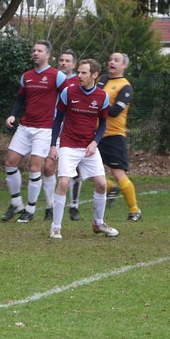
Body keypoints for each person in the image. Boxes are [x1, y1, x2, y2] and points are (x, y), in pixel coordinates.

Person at [47, 58, 117, 240]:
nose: (79, 75)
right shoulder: (68, 92)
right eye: (78, 72)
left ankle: (98, 223)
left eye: (84, 72)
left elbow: (102, 125)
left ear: (94, 75)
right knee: (63, 183)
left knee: (102, 184)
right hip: (69, 145)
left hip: (88, 147)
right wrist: (53, 145)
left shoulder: (102, 96)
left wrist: (95, 142)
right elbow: (57, 120)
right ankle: (55, 227)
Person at [0, 40, 64, 223]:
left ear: (47, 55)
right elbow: (20, 99)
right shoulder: (26, 76)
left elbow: (68, 97)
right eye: (34, 50)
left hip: (45, 129)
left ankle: (31, 209)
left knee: (35, 167)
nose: (35, 53)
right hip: (25, 126)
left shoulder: (56, 76)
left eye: (40, 51)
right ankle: (16, 203)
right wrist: (13, 115)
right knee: (10, 162)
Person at [99, 51, 143, 223]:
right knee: (81, 168)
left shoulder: (125, 86)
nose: (112, 62)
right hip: (96, 135)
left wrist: (96, 107)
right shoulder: (102, 80)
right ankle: (111, 188)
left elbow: (115, 111)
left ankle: (134, 210)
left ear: (124, 65)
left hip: (114, 136)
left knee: (117, 172)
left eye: (116, 60)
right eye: (110, 59)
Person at [57, 49, 84, 221]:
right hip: (53, 126)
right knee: (52, 169)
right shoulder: (54, 78)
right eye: (61, 60)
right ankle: (52, 207)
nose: (64, 63)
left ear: (73, 64)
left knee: (76, 171)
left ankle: (74, 206)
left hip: (74, 129)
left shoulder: (79, 81)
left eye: (68, 61)